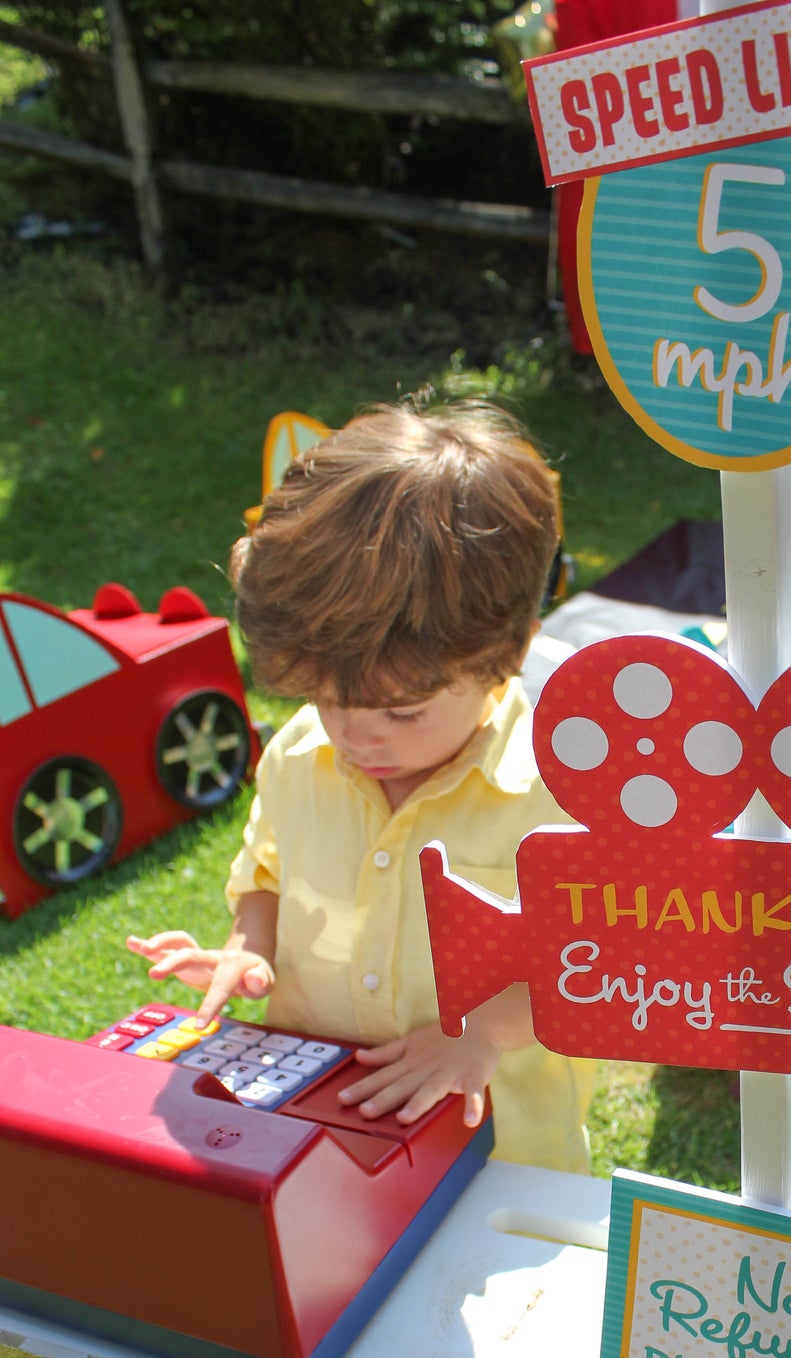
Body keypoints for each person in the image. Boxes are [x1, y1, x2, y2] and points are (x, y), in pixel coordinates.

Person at [127, 400, 593, 1174]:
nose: (356, 735)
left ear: (508, 656)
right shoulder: (299, 758)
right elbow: (266, 876)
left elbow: (595, 965)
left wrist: (482, 1035)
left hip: (504, 1149)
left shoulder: (560, 795)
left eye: (400, 712)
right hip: (318, 1123)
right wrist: (249, 952)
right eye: (327, 698)